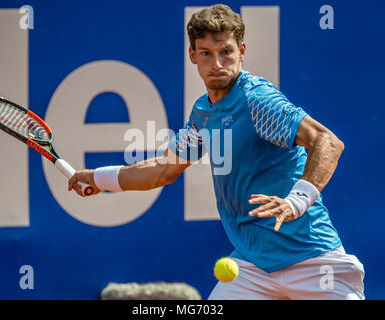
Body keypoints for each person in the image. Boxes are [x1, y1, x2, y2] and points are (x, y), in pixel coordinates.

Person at [68, 4, 365, 300]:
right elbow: (163, 169)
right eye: (206, 53)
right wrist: (97, 177)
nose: (217, 63)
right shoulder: (203, 113)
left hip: (314, 262)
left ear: (242, 51)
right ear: (192, 55)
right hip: (253, 267)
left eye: (226, 52)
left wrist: (295, 202)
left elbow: (327, 142)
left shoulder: (257, 100)